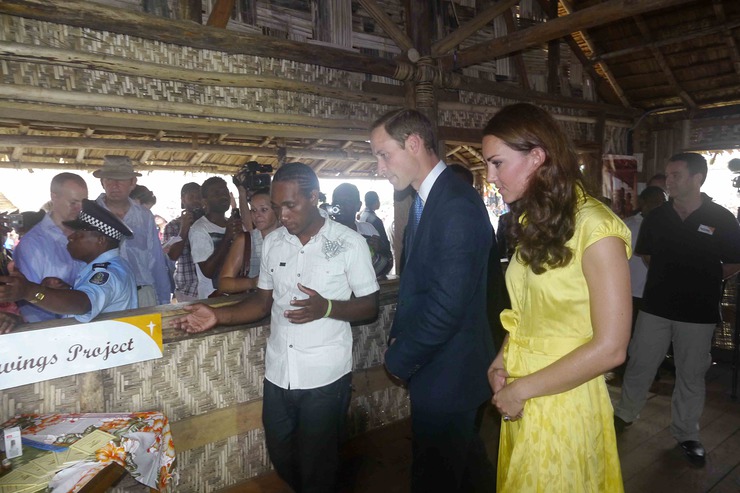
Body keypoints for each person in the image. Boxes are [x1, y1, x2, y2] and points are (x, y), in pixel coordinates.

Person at [171, 162, 379, 492]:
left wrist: (326, 307)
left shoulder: (348, 243)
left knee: (317, 462)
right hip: (279, 371)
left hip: (324, 374)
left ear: (314, 197)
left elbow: (370, 306)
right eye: (277, 205)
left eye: (290, 205)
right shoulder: (274, 243)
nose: (282, 215)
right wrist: (216, 315)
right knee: (281, 453)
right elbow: (261, 302)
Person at [482, 103, 631, 492]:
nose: (489, 175)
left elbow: (612, 348)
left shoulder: (596, 227)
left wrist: (521, 390)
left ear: (536, 158)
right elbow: (528, 310)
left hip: (563, 395)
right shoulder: (534, 220)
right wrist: (503, 356)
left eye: (497, 163)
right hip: (521, 387)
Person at [370, 109, 495, 492]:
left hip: (450, 372)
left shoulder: (454, 205)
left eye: (383, 154)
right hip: (443, 367)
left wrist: (400, 357)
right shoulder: (431, 201)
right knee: (465, 468)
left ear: (413, 144)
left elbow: (446, 307)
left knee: (434, 476)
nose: (379, 168)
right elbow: (419, 288)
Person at [614, 152, 740, 463]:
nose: (668, 181)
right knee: (640, 362)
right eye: (668, 175)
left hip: (698, 312)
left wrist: (703, 278)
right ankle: (625, 414)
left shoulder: (722, 218)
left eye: (676, 175)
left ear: (698, 179)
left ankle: (687, 433)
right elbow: (646, 255)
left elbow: (735, 261)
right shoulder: (657, 217)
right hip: (656, 307)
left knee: (691, 374)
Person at [0, 199, 137, 322]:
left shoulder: (108, 273)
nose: (71, 237)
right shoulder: (104, 267)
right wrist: (67, 290)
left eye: (79, 234)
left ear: (100, 240)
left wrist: (29, 291)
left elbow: (83, 304)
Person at [94, 155, 171, 307]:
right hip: (103, 297)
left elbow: (156, 261)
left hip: (142, 294)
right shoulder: (90, 214)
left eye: (121, 179)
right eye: (109, 179)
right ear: (102, 182)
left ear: (133, 183)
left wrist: (163, 301)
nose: (114, 185)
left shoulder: (144, 216)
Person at [13, 172, 88, 323]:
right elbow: (28, 302)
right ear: (54, 197)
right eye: (73, 202)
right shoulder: (32, 244)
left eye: (83, 202)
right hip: (51, 329)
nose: (79, 208)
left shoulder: (89, 234)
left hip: (90, 324)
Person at [218, 187, 279, 294]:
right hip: (255, 304)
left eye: (263, 210)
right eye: (253, 210)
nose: (257, 215)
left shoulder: (291, 238)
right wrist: (253, 282)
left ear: (277, 210)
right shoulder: (246, 240)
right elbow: (223, 284)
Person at [189, 177, 241, 299]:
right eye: (216, 193)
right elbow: (207, 271)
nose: (223, 196)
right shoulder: (199, 229)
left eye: (225, 192)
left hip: (236, 295)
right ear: (205, 202)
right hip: (211, 300)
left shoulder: (232, 224)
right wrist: (227, 238)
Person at [623, 186, 667, 331]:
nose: (656, 205)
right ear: (642, 202)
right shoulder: (626, 225)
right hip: (631, 292)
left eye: (660, 202)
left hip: (658, 292)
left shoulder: (669, 226)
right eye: (653, 201)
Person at [331, 183, 393, 279]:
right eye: (336, 202)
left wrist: (380, 250)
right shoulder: (324, 232)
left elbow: (386, 266)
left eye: (347, 202)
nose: (341, 206)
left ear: (358, 206)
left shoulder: (368, 230)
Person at [163, 183, 203, 302]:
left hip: (211, 287)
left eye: (199, 197)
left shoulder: (209, 222)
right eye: (191, 197)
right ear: (183, 200)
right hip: (187, 288)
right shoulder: (172, 226)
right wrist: (184, 228)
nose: (196, 201)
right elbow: (172, 256)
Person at [359, 190, 393, 272]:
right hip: (374, 258)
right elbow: (383, 241)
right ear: (376, 201)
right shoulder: (375, 220)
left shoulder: (362, 215)